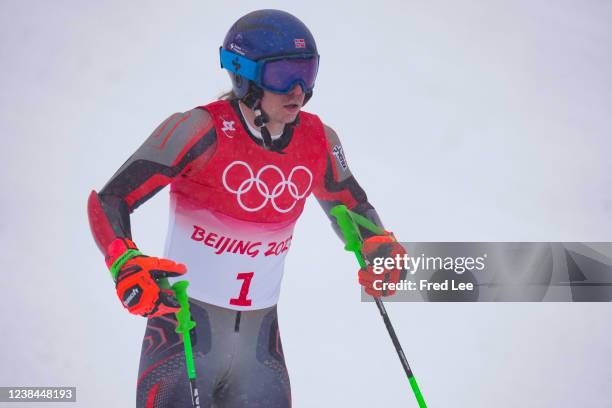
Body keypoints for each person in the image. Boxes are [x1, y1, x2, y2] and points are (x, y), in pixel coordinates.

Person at [87, 9, 405, 408]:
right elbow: (110, 199)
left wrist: (378, 245)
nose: (297, 90)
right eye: (281, 75)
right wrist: (124, 261)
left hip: (260, 346)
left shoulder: (318, 139)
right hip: (182, 336)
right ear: (245, 75)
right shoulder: (199, 129)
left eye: (306, 73)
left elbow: (354, 207)